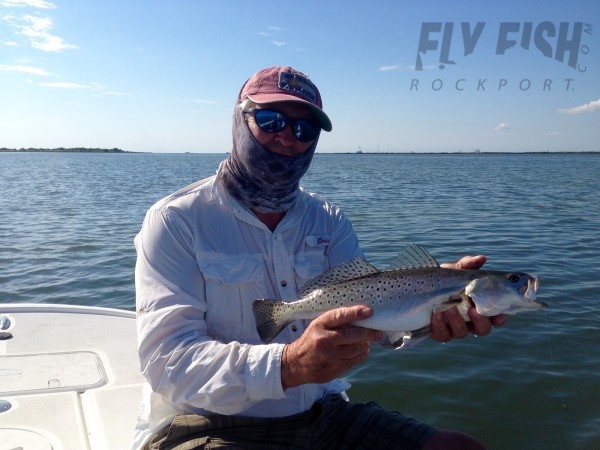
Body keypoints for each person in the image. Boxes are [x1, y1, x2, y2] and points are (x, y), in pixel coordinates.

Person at [132, 66, 505, 450]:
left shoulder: (329, 220)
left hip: (322, 417)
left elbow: (377, 322)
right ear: (238, 120)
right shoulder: (176, 220)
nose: (288, 138)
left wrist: (430, 307)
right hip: (207, 424)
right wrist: (289, 364)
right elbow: (167, 362)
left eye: (304, 130)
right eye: (270, 119)